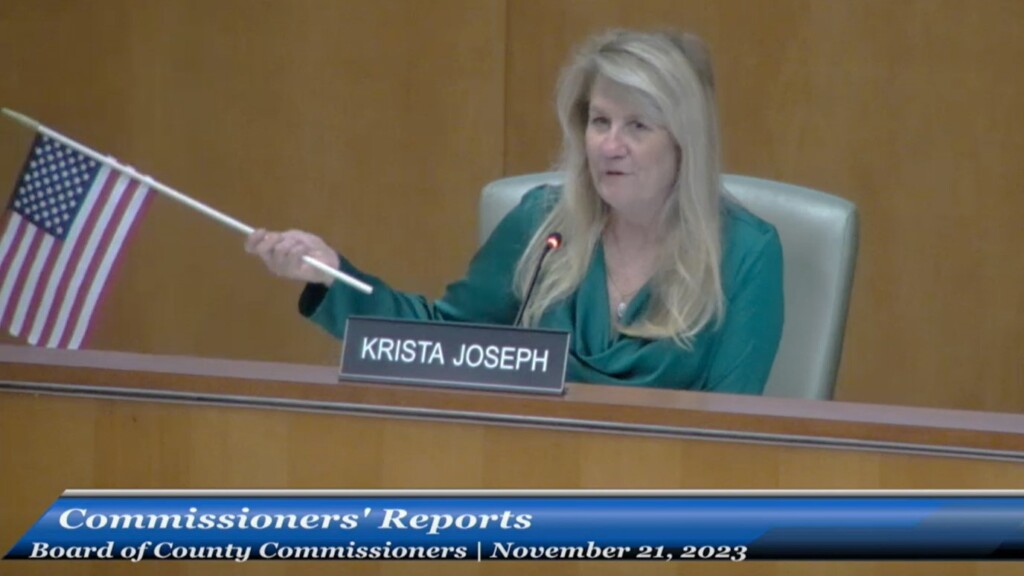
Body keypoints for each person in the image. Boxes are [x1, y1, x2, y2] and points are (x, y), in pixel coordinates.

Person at [246, 29, 783, 394]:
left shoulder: (744, 253)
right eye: (600, 122)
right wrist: (332, 274)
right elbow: (441, 343)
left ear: (685, 142)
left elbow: (732, 425)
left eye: (637, 126)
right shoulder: (544, 225)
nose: (609, 145)